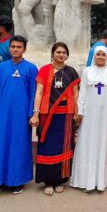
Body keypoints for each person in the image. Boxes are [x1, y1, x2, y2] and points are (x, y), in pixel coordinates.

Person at [0, 35, 38, 195]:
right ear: (9, 48)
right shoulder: (1, 68)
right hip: (2, 113)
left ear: (24, 49)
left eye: (19, 47)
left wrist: (31, 114)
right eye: (13, 46)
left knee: (18, 146)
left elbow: (33, 93)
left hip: (21, 115)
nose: (15, 49)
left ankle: (17, 181)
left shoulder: (31, 68)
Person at [70, 46, 107, 192]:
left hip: (104, 116)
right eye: (98, 54)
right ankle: (84, 181)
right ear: (94, 56)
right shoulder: (87, 71)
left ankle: (99, 182)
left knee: (102, 144)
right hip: (89, 115)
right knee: (86, 144)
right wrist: (79, 112)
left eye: (103, 55)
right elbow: (83, 93)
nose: (100, 57)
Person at [32, 42, 80, 196]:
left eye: (64, 52)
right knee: (48, 146)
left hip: (66, 116)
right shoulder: (44, 70)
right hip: (47, 115)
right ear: (52, 54)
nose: (61, 55)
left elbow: (75, 94)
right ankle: (48, 181)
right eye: (58, 52)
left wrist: (77, 113)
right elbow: (39, 93)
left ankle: (60, 180)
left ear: (67, 55)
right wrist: (35, 113)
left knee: (64, 146)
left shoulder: (71, 72)